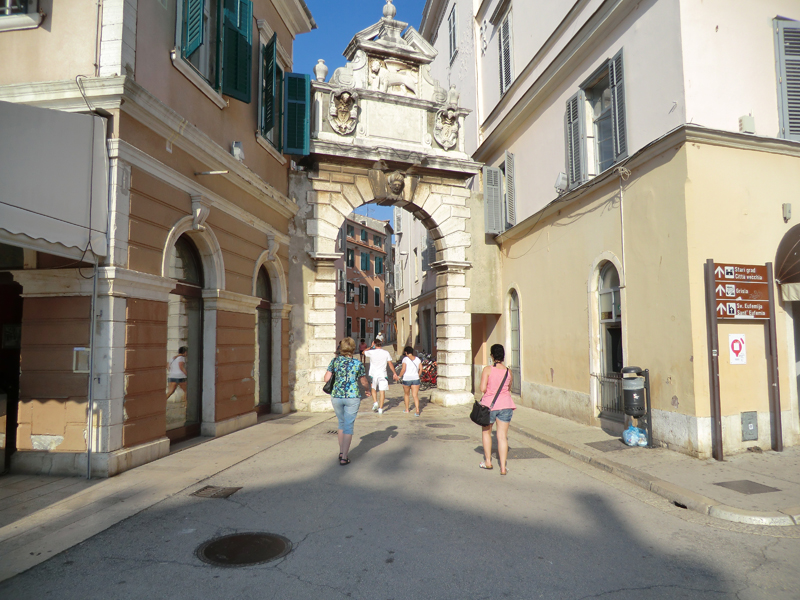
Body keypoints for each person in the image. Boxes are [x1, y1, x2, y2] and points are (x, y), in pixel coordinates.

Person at [325, 337, 371, 465]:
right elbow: (363, 381)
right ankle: (344, 457)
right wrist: (367, 390)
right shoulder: (357, 363)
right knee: (348, 425)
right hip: (352, 396)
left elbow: (326, 378)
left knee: (341, 423)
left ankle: (341, 452)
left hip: (336, 396)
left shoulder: (334, 361)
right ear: (353, 348)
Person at [478, 344, 515, 475]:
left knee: (486, 433)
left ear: (492, 356)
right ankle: (503, 468)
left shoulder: (487, 370)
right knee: (502, 437)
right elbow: (509, 387)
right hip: (506, 405)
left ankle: (488, 461)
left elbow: (482, 388)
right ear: (503, 356)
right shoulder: (508, 371)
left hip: (489, 406)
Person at [364, 338, 397, 414]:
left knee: (373, 388)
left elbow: (363, 352)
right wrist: (394, 373)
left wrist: (371, 346)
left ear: (374, 344)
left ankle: (375, 402)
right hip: (383, 374)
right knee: (382, 391)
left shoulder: (371, 352)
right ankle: (381, 409)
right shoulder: (386, 353)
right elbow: (390, 364)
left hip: (373, 374)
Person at [395, 346, 422, 416]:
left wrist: (399, 376)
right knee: (415, 395)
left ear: (406, 352)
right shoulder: (417, 359)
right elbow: (421, 369)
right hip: (415, 379)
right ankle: (417, 410)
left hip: (407, 379)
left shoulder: (405, 359)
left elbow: (403, 369)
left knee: (406, 394)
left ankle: (407, 409)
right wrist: (418, 375)